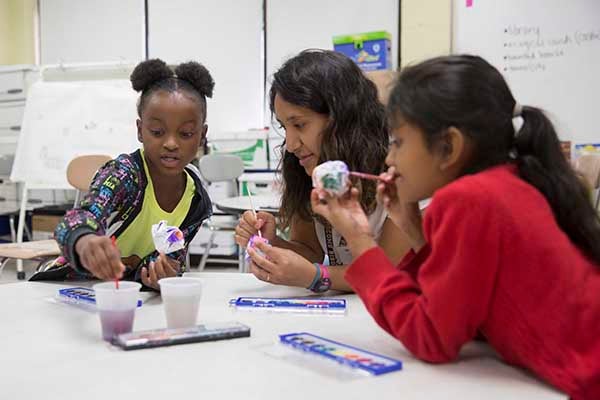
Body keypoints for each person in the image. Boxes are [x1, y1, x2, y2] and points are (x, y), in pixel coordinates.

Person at [296, 55, 600, 399]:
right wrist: (412, 225)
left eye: (397, 142)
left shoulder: (468, 199)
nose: (388, 159)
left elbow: (431, 337)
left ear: (449, 146)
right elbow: (463, 300)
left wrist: (359, 238)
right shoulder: (506, 183)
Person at [31, 59, 214, 291]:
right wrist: (85, 241)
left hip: (130, 299)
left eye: (186, 133)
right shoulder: (124, 175)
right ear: (140, 130)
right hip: (74, 291)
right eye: (157, 132)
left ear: (202, 135)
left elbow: (171, 258)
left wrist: (159, 274)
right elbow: (74, 222)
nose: (170, 143)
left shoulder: (195, 200)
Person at [237, 49, 410, 292]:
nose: (290, 144)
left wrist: (317, 276)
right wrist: (272, 242)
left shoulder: (398, 174)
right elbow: (309, 251)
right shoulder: (309, 171)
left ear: (341, 118)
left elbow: (387, 271)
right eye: (284, 126)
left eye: (299, 124)